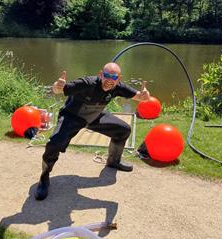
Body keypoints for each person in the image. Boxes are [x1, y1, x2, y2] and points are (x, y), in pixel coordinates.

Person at [35, 62, 151, 200]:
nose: (109, 80)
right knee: (54, 143)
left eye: (114, 77)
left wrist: (144, 96)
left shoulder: (118, 87)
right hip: (73, 117)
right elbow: (60, 90)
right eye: (107, 76)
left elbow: (138, 96)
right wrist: (57, 86)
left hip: (95, 116)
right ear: (100, 74)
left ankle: (113, 161)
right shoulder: (87, 83)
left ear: (118, 79)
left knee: (123, 130)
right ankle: (44, 176)